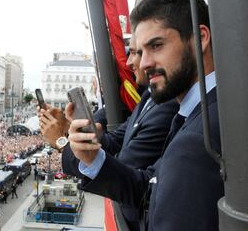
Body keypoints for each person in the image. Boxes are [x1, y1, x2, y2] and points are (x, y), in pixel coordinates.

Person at [66, 0, 224, 230]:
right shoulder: (198, 113)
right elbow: (147, 187)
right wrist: (93, 159)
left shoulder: (196, 140)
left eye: (156, 45)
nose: (144, 62)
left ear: (201, 38)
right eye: (140, 51)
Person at [38, 35, 178, 230]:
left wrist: (61, 141)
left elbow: (120, 166)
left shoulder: (166, 106)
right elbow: (113, 141)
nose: (129, 62)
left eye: (135, 53)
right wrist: (64, 126)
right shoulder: (149, 97)